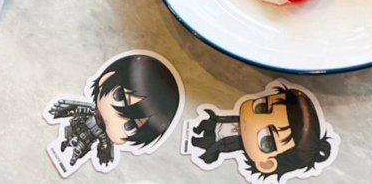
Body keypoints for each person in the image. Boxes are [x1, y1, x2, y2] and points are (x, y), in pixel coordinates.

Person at [46, 53, 183, 170]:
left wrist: (104, 151)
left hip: (87, 143)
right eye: (119, 97)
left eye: (130, 126)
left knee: (79, 149)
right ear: (106, 79)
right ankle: (66, 145)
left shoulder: (103, 136)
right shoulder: (88, 110)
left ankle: (73, 157)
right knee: (71, 140)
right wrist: (63, 111)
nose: (116, 119)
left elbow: (104, 143)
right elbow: (75, 110)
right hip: (77, 130)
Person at [189, 84, 334, 180]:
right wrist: (214, 117)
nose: (252, 121)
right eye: (261, 107)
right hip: (211, 123)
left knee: (203, 142)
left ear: (266, 164)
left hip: (211, 143)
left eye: (266, 140)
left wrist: (206, 156)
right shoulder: (236, 116)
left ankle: (197, 141)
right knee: (205, 125)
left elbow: (218, 147)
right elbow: (226, 118)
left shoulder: (230, 145)